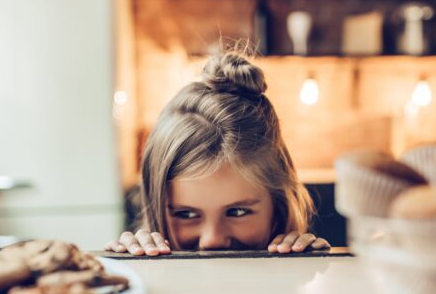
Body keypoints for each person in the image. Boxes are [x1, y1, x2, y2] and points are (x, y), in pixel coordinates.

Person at [105, 50, 330, 256]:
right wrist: (133, 268)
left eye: (238, 212)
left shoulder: (297, 270)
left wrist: (304, 265)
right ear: (156, 206)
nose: (212, 240)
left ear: (278, 207)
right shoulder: (138, 278)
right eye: (186, 215)